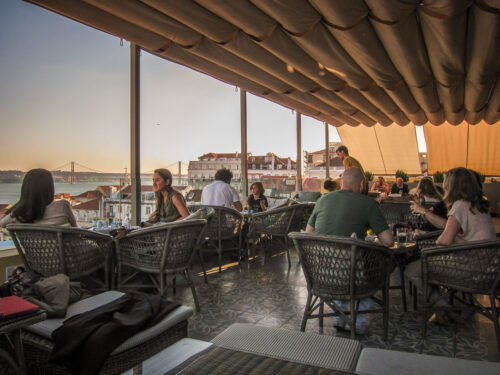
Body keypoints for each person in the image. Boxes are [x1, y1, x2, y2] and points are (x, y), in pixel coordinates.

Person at [306, 167, 394, 334]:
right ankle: (357, 319)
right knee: (382, 266)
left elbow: (309, 234)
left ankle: (340, 315)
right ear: (362, 184)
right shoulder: (368, 203)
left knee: (345, 263)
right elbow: (388, 241)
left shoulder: (322, 200)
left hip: (320, 275)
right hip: (351, 278)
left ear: (342, 183)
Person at [405, 167, 496, 323]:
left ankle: (444, 307)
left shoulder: (460, 205)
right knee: (427, 262)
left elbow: (445, 240)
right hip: (490, 268)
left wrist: (431, 241)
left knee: (412, 270)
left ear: (453, 186)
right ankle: (445, 307)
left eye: (446, 183)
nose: (444, 186)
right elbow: (450, 226)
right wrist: (424, 212)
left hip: (470, 269)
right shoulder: (478, 204)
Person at [0, 168, 77, 228]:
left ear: (25, 188)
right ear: (49, 188)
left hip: (32, 248)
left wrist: (21, 202)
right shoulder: (63, 205)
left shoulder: (18, 215)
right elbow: (75, 228)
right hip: (68, 248)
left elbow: (2, 223)